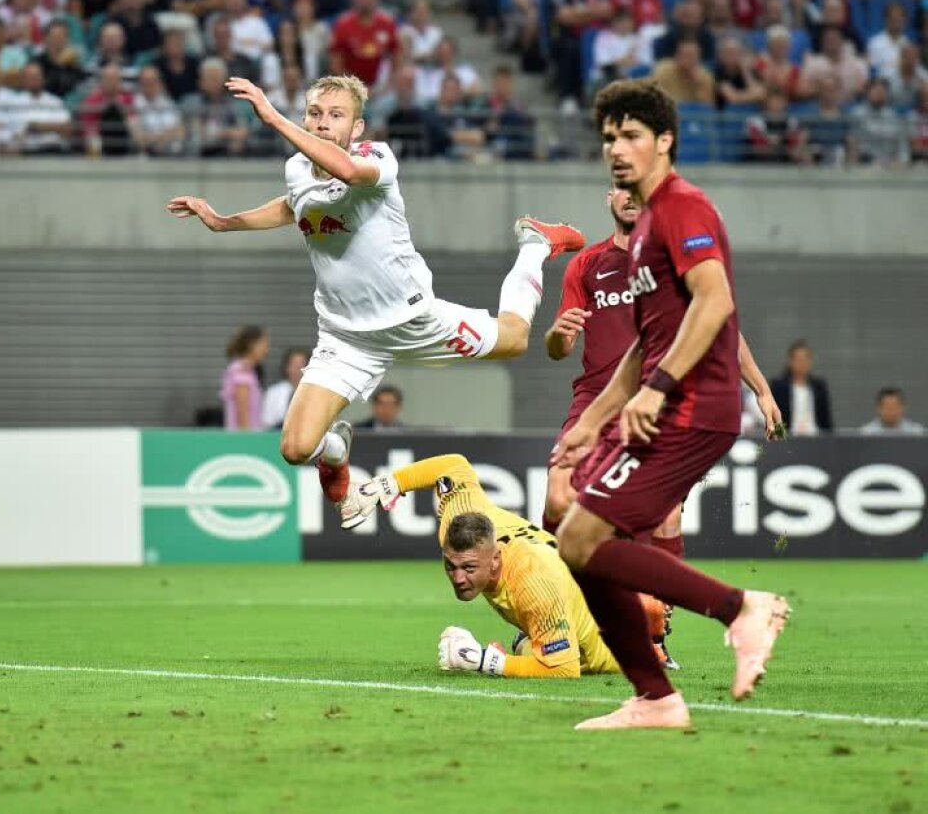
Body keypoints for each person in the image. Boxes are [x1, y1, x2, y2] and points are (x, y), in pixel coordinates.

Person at [167, 74, 584, 516]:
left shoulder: (377, 158)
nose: (322, 123)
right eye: (314, 113)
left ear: (357, 128)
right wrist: (223, 222)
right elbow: (295, 205)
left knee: (515, 338)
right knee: (294, 447)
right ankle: (335, 450)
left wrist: (271, 116)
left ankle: (536, 243)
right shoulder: (296, 168)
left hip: (412, 320)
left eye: (335, 115)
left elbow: (346, 171)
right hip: (345, 335)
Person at [549, 79, 789, 730]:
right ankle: (655, 697)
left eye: (630, 136)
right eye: (608, 139)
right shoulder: (647, 228)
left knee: (583, 537)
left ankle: (742, 608)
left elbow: (715, 304)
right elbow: (643, 347)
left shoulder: (683, 208)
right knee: (575, 538)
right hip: (667, 406)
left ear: (664, 141)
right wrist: (592, 422)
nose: (617, 150)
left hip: (690, 410)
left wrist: (659, 390)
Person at [348, 454, 667, 677]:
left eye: (469, 568)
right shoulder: (459, 524)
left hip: (601, 641)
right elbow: (452, 466)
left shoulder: (532, 584)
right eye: (450, 566)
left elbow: (562, 670)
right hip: (578, 580)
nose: (457, 578)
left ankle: (648, 638)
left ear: (496, 558)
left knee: (560, 653)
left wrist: (483, 661)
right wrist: (386, 486)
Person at [769, 339, 832, 435]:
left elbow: (826, 420)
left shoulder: (819, 387)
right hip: (789, 436)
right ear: (790, 361)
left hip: (816, 437)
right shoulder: (778, 387)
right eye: (798, 360)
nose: (802, 364)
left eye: (805, 359)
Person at [221, 325, 270, 431]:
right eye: (264, 345)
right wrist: (247, 443)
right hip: (244, 442)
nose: (266, 350)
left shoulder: (248, 371)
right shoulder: (242, 372)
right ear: (252, 345)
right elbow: (243, 414)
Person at [262, 347, 309, 428]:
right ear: (286, 367)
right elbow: (266, 421)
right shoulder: (273, 392)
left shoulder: (315, 393)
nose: (297, 369)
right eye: (294, 365)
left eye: (301, 365)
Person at [859, 388, 925, 435]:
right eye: (887, 408)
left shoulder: (916, 432)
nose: (891, 412)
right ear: (878, 409)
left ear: (902, 408)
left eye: (894, 407)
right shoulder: (866, 433)